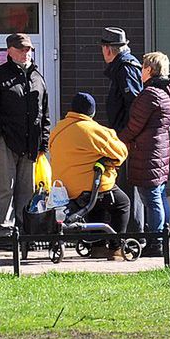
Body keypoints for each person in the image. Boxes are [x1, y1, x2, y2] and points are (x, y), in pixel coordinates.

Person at [0, 33, 50, 234]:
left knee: (27, 190)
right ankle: (6, 231)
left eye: (28, 49)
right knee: (5, 189)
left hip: (31, 143)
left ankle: (25, 230)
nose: (26, 53)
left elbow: (45, 113)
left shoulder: (37, 77)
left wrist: (44, 142)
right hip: (6, 142)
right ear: (9, 50)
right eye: (21, 49)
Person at [49, 93, 132, 257]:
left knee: (96, 204)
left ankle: (97, 246)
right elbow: (121, 153)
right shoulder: (93, 130)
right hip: (90, 187)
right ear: (92, 112)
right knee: (122, 203)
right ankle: (116, 247)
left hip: (65, 190)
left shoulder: (58, 129)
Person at [119, 52, 170, 257]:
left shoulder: (150, 94)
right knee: (160, 195)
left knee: (151, 198)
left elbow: (135, 125)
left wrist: (118, 139)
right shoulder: (166, 93)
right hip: (160, 151)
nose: (140, 71)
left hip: (148, 153)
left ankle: (155, 243)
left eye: (143, 67)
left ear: (149, 70)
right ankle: (163, 237)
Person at [100, 27, 144, 234]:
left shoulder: (125, 68)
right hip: (125, 138)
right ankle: (131, 235)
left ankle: (135, 237)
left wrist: (126, 137)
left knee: (130, 190)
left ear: (108, 50)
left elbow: (135, 106)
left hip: (127, 141)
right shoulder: (123, 68)